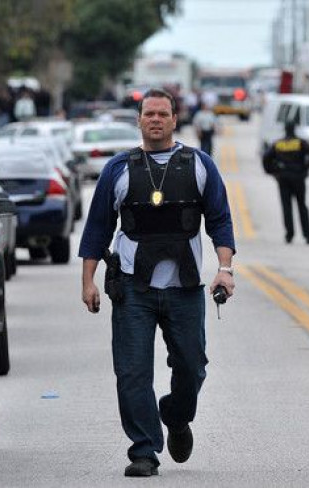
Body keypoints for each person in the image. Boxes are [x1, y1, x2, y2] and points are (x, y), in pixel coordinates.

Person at [79, 88, 236, 477]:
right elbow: (97, 227)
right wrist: (88, 281)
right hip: (133, 289)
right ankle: (144, 449)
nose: (155, 120)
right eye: (149, 113)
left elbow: (220, 220)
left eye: (162, 114)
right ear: (139, 119)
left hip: (185, 290)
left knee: (192, 366)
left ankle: (176, 416)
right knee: (132, 371)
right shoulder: (118, 169)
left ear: (174, 119)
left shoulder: (200, 165)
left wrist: (225, 268)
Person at [263, 121, 309, 244]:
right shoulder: (300, 142)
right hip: (298, 177)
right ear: (294, 129)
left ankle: (289, 235)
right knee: (302, 205)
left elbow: (266, 158)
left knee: (286, 207)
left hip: (283, 178)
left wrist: (272, 172)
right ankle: (308, 236)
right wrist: (307, 167)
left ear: (285, 129)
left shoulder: (278, 143)